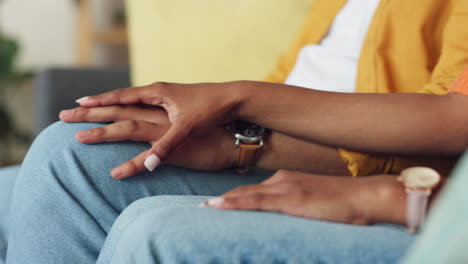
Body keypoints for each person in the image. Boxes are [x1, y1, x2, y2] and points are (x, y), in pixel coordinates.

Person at [6, 0, 468, 263]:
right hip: (275, 131)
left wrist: (240, 116)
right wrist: (235, 125)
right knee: (41, 164)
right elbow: (291, 75)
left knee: (73, 160)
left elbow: (449, 121)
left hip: (357, 158)